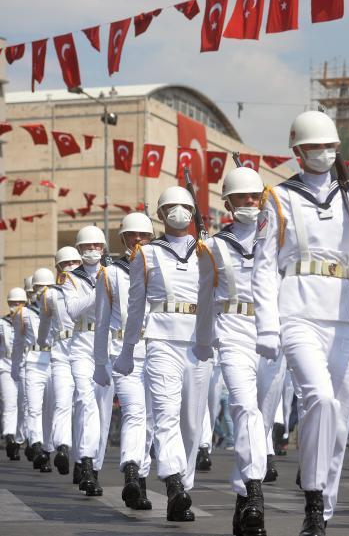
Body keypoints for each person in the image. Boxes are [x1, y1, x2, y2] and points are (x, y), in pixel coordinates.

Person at [251, 110, 349, 536]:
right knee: (318, 398)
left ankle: (326, 506)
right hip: (297, 309)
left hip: (345, 314)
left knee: (338, 418)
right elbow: (264, 267)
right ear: (298, 152)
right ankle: (314, 500)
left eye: (330, 147)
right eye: (315, 147)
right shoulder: (278, 198)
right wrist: (267, 325)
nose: (323, 153)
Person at [113, 185, 212, 522]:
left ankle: (182, 482)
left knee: (191, 422)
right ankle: (174, 486)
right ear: (161, 214)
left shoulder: (208, 250)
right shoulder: (147, 253)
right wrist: (128, 349)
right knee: (166, 413)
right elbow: (136, 305)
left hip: (199, 341)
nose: (178, 212)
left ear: (193, 213)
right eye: (170, 207)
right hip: (161, 339)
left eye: (184, 206)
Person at [194, 167, 280, 536]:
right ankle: (255, 492)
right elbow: (204, 298)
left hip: (273, 333)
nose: (248, 203)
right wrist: (202, 343)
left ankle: (243, 495)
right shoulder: (212, 247)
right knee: (244, 409)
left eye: (253, 197)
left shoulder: (280, 240)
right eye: (240, 198)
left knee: (262, 416)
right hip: (232, 332)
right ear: (227, 203)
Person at [94, 212, 155, 510]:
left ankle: (140, 481)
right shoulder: (111, 272)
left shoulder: (159, 266)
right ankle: (131, 470)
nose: (138, 240)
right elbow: (102, 323)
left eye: (143, 236)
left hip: (156, 351)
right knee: (134, 413)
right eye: (132, 235)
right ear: (123, 239)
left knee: (152, 420)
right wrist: (99, 362)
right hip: (124, 354)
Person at [64, 226, 117, 497]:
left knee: (103, 411)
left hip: (107, 345)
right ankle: (84, 461)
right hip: (82, 346)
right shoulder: (71, 278)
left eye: (96, 246)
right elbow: (73, 310)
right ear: (79, 249)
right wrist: (100, 288)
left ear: (104, 247)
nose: (92, 250)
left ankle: (93, 469)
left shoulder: (114, 273)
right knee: (86, 402)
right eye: (86, 247)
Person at [35, 249, 80, 480]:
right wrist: (44, 343)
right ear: (58, 268)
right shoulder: (50, 295)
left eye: (75, 261)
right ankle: (62, 447)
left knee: (83, 407)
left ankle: (83, 460)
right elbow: (43, 327)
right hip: (61, 354)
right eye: (66, 263)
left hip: (85, 351)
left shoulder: (90, 286)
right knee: (62, 403)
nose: (71, 265)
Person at [13, 269, 56, 472]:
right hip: (33, 362)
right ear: (33, 290)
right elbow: (18, 343)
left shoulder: (57, 309)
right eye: (40, 287)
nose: (43, 291)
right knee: (33, 407)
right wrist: (15, 368)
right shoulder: (24, 314)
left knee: (50, 409)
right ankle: (37, 445)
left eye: (47, 286)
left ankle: (47, 448)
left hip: (53, 360)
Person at [1, 291, 20, 458]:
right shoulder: (2, 323)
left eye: (19, 302)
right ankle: (10, 437)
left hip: (24, 367)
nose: (16, 305)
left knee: (26, 406)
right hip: (6, 367)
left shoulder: (30, 319)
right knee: (9, 403)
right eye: (13, 302)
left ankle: (24, 437)